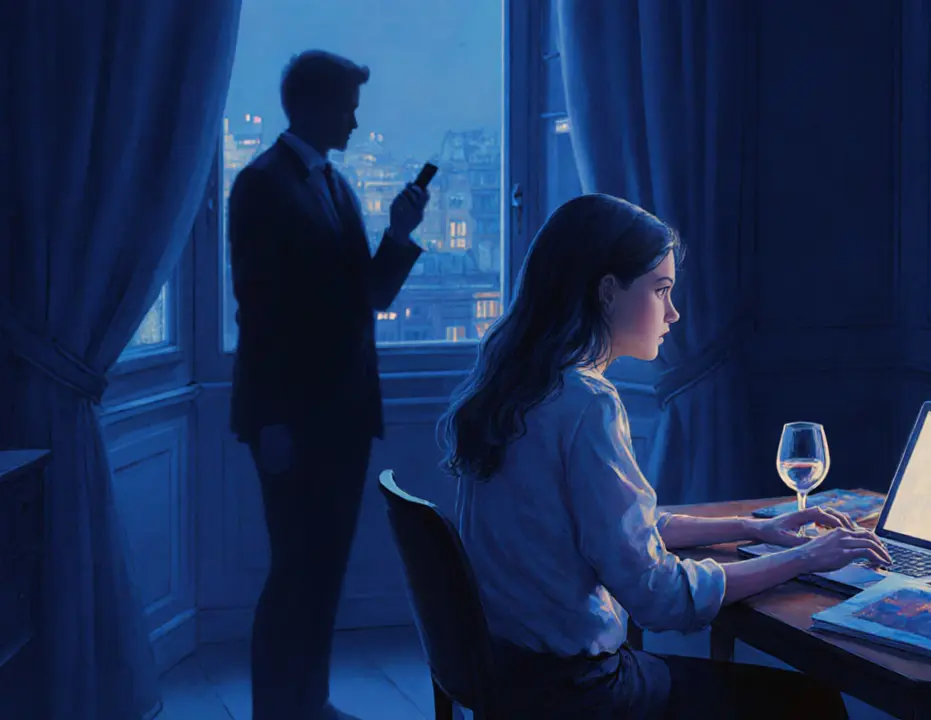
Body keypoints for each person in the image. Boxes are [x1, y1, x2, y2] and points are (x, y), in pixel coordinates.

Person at [439, 193, 893, 718]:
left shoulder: (521, 391)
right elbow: (660, 597)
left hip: (516, 679)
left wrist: (754, 527)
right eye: (661, 290)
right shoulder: (587, 403)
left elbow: (607, 528)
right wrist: (804, 558)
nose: (674, 312)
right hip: (577, 694)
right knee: (813, 705)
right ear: (607, 293)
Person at [227, 49, 428, 720]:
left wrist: (400, 234)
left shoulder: (333, 186)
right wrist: (274, 423)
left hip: (339, 416)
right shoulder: (262, 185)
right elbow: (258, 314)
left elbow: (367, 295)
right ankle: (277, 711)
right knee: (295, 574)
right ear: (312, 104)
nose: (355, 119)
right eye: (347, 105)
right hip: (295, 421)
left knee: (321, 572)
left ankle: (305, 704)